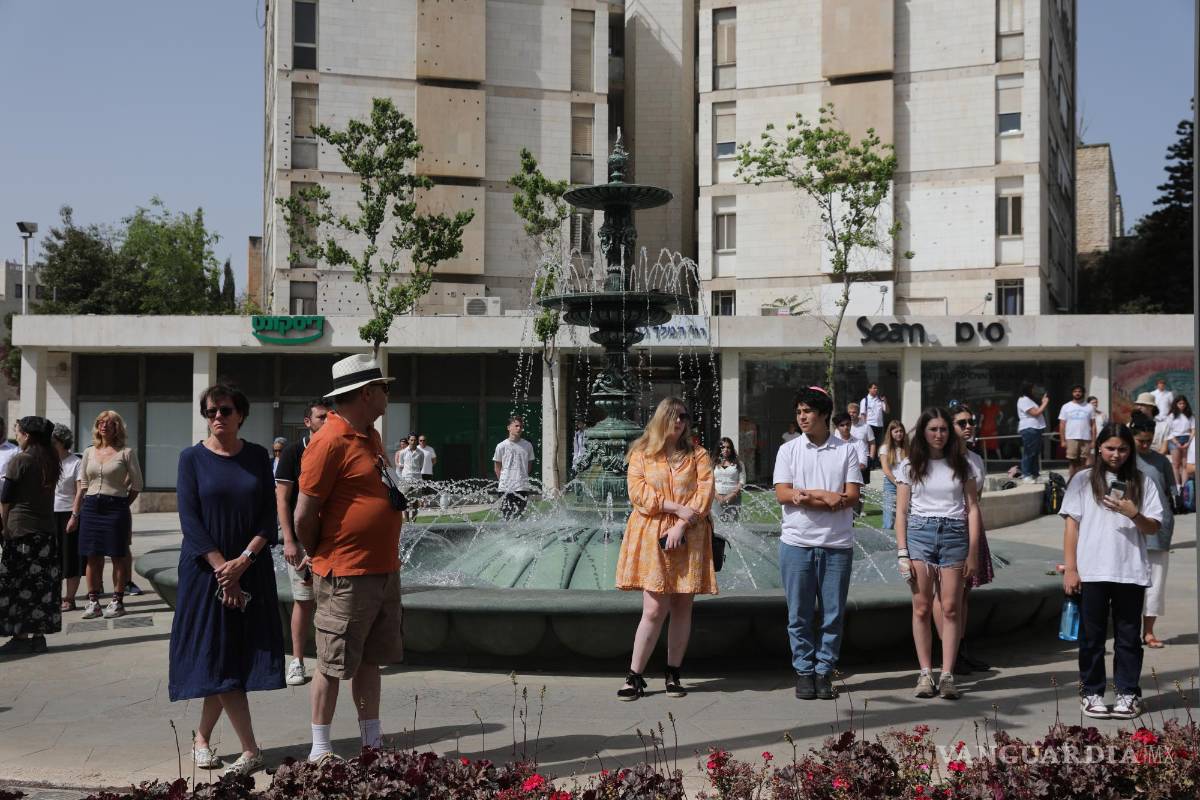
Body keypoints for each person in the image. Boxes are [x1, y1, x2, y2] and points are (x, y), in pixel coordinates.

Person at [294, 354, 404, 763]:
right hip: (345, 572)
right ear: (366, 393)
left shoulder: (369, 436)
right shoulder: (328, 442)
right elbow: (304, 515)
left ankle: (371, 743)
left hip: (382, 569)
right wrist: (319, 553)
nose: (388, 394)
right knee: (331, 662)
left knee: (370, 660)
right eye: (384, 388)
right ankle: (320, 748)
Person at [170, 384, 283, 776]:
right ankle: (251, 748)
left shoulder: (257, 456)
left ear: (241, 415)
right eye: (210, 411)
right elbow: (190, 522)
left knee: (233, 655)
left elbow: (268, 517)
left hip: (251, 568)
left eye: (225, 410)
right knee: (217, 653)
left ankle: (201, 738)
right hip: (206, 572)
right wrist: (225, 571)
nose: (217, 416)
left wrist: (243, 562)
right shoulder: (191, 459)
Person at [615, 397, 717, 700]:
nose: (680, 422)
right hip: (652, 536)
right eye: (674, 416)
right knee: (654, 609)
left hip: (689, 535)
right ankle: (634, 676)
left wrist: (682, 523)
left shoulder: (698, 455)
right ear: (661, 418)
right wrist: (675, 508)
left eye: (684, 416)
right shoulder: (642, 454)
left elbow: (705, 494)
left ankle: (673, 673)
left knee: (683, 606)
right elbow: (638, 494)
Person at [1061, 424, 1163, 720]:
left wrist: (1133, 513)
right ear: (1099, 448)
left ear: (1130, 450)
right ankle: (1091, 693)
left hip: (1129, 570)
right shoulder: (1082, 480)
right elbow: (1071, 526)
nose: (1116, 454)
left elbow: (1153, 527)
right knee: (1091, 638)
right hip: (1092, 570)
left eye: (1122, 449)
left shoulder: (1142, 481)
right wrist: (1071, 568)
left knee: (1128, 638)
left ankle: (1127, 693)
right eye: (1110, 448)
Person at [773, 387, 862, 701]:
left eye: (808, 411)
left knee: (832, 614)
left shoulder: (847, 450)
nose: (802, 417)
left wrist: (805, 495)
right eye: (799, 411)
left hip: (837, 545)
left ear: (824, 414)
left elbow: (852, 496)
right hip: (796, 543)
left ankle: (824, 671)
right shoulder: (788, 450)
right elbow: (783, 494)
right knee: (798, 614)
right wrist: (825, 496)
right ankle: (804, 672)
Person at [894, 407, 982, 700]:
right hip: (920, 534)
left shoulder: (962, 464)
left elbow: (973, 509)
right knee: (921, 607)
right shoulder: (910, 465)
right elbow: (901, 512)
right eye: (933, 429)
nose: (939, 434)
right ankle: (924, 673)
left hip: (954, 535)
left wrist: (973, 552)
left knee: (951, 607)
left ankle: (947, 675)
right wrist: (902, 552)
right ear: (923, 432)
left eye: (943, 429)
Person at [274, 398, 332, 687]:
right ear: (307, 422)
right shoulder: (293, 452)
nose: (327, 421)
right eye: (321, 417)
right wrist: (289, 541)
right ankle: (297, 660)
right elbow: (282, 500)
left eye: (330, 417)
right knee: (304, 600)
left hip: (332, 543)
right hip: (300, 542)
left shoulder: (336, 449)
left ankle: (329, 660)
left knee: (333, 603)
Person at [936, 405, 994, 675]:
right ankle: (948, 652)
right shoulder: (940, 459)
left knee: (965, 592)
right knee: (945, 595)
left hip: (971, 528)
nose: (969, 426)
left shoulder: (975, 459)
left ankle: (960, 648)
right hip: (947, 529)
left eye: (971, 421)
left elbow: (976, 500)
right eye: (962, 423)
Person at [0, 417, 63, 657]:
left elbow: (6, 498)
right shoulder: (51, 460)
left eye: (18, 431)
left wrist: (3, 526)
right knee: (42, 586)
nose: (16, 436)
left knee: (19, 584)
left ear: (27, 435)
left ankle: (20, 637)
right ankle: (39, 637)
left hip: (21, 532)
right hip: (46, 533)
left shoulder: (20, 460)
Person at [71, 410, 143, 620]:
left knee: (118, 556)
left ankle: (117, 601)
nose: (103, 425)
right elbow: (84, 483)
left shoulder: (126, 452)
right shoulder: (89, 452)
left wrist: (123, 504)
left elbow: (137, 484)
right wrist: (76, 513)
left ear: (116, 427)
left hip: (116, 507)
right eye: (100, 422)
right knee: (92, 556)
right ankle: (93, 602)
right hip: (91, 506)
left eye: (109, 423)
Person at [1128, 417, 1174, 649]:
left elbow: (1170, 491)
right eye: (1141, 441)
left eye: (1149, 440)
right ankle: (1127, 631)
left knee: (1155, 583)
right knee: (1128, 583)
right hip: (1128, 528)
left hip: (1158, 528)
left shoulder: (1161, 461)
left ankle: (1148, 632)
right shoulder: (1123, 459)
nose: (1145, 445)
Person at [52, 425, 83, 612]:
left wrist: (74, 515)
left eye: (53, 441)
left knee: (70, 557)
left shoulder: (75, 462)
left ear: (63, 442)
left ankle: (70, 598)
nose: (50, 444)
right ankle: (54, 597)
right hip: (49, 514)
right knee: (52, 558)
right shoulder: (47, 461)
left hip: (68, 513)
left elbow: (80, 492)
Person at [493, 416, 535, 521]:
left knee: (519, 517)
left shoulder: (528, 445)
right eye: (516, 426)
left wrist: (521, 477)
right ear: (509, 428)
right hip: (505, 488)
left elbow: (529, 465)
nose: (519, 428)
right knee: (507, 517)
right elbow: (497, 467)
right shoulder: (501, 446)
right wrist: (504, 481)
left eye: (521, 426)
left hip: (522, 487)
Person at [1058, 385, 1096, 481]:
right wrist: (1062, 440)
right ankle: (1071, 480)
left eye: (1079, 391)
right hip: (1071, 437)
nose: (1077, 393)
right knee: (1072, 461)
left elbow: (1093, 425)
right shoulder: (1066, 406)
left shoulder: (1089, 407)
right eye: (1075, 391)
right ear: (1072, 393)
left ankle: (1081, 480)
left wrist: (1093, 441)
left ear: (1083, 393)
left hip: (1086, 437)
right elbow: (1062, 424)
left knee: (1083, 461)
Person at [1016, 383, 1049, 482]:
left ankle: (1035, 473)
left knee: (1035, 452)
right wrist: (1045, 403)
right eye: (1033, 389)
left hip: (1036, 428)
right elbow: (1035, 413)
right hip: (1029, 428)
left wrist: (1042, 403)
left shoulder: (1029, 400)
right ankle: (1026, 474)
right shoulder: (1023, 400)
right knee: (1029, 452)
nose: (1034, 391)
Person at [878, 420, 908, 530]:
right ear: (890, 433)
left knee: (904, 515)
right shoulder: (884, 448)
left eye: (901, 431)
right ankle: (886, 536)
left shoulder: (907, 448)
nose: (899, 434)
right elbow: (886, 470)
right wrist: (897, 483)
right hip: (890, 484)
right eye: (896, 431)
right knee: (889, 516)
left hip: (906, 484)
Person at [712, 437, 745, 522]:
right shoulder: (713, 463)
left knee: (732, 524)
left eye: (728, 447)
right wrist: (717, 496)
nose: (725, 449)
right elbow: (709, 481)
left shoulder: (739, 464)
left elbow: (742, 481)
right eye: (723, 447)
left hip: (734, 497)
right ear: (719, 449)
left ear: (732, 449)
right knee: (717, 523)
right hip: (716, 497)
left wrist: (731, 495)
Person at [1165, 396, 1194, 491]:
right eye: (1180, 403)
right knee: (1176, 464)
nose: (1182, 405)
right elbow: (1168, 431)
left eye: (1183, 403)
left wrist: (1188, 442)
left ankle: (1184, 486)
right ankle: (1177, 486)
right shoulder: (1171, 416)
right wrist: (1176, 442)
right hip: (1174, 439)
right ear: (1176, 404)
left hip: (1187, 439)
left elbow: (1193, 430)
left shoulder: (1190, 415)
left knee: (1185, 464)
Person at [397, 434, 424, 523]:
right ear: (408, 441)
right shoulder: (403, 452)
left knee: (415, 502)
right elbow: (401, 465)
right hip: (406, 479)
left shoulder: (421, 453)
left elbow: (420, 466)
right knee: (405, 501)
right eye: (411, 440)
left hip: (417, 479)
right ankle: (407, 521)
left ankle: (414, 521)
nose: (413, 442)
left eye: (415, 440)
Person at [846, 402, 876, 481]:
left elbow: (872, 443)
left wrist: (871, 458)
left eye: (854, 412)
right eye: (849, 412)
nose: (851, 414)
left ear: (858, 413)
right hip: (848, 459)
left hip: (862, 460)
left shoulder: (866, 427)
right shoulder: (844, 426)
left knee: (862, 484)